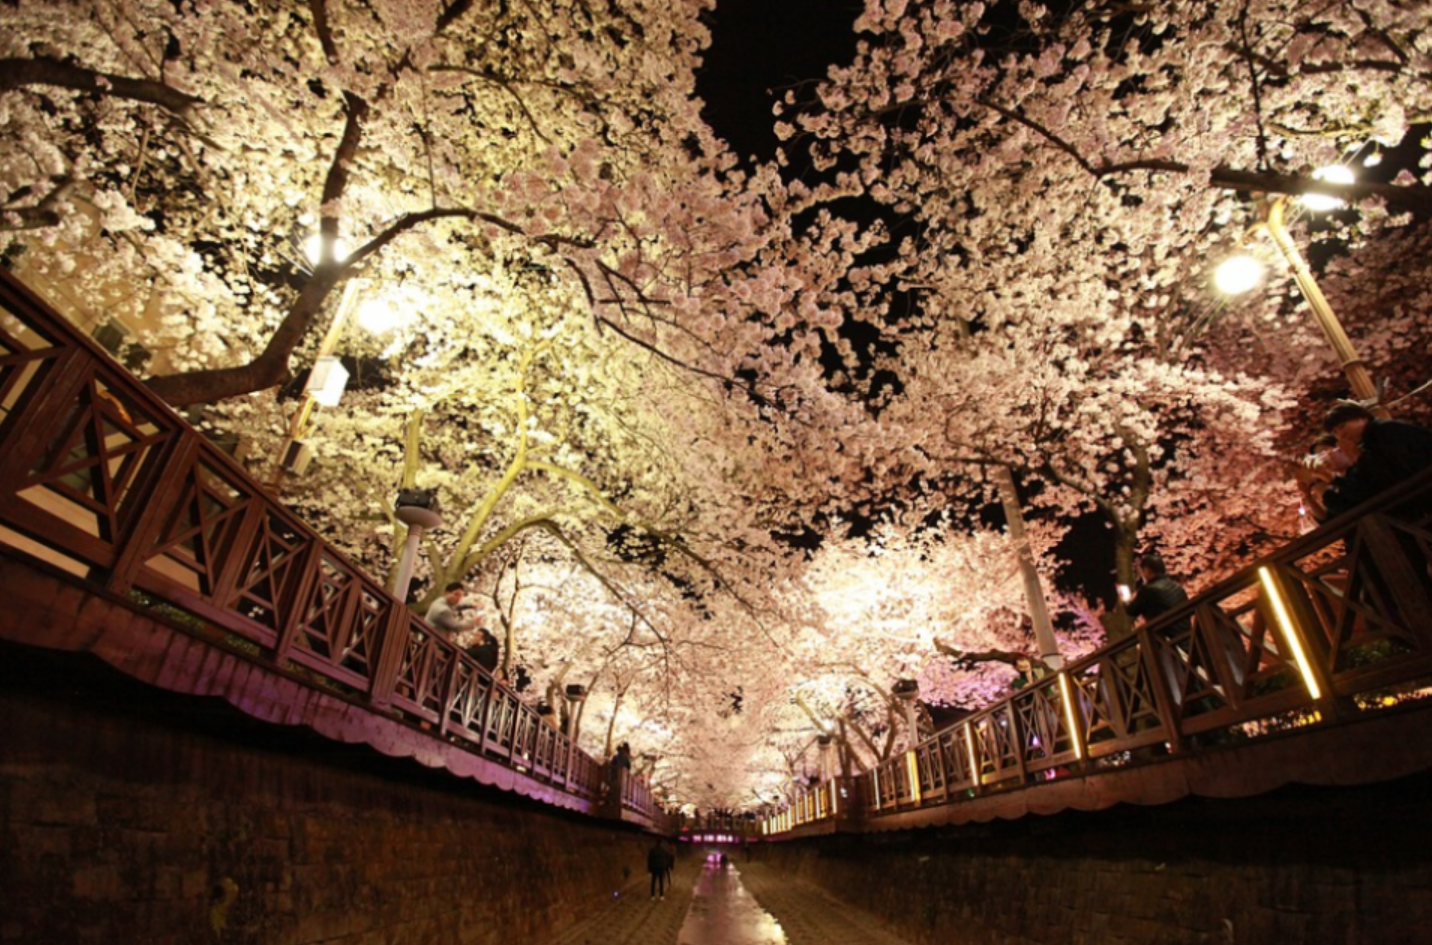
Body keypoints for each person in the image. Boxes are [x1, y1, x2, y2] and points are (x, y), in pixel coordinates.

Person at [1319, 401, 1432, 519]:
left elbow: (1395, 475)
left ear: (1362, 418)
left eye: (1342, 426)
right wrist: (1334, 480)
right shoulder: (1366, 444)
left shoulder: (1387, 430)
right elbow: (1364, 492)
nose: (1341, 434)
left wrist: (1357, 456)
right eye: (1335, 433)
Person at [425, 582, 500, 673]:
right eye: (456, 594)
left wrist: (473, 605)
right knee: (427, 671)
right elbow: (456, 626)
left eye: (460, 596)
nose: (458, 598)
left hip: (432, 641)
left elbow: (457, 606)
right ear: (447, 593)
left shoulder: (440, 601)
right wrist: (474, 623)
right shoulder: (443, 610)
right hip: (433, 644)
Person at [1124, 553, 1189, 630]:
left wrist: (1128, 600)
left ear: (1147, 570)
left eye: (1142, 571)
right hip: (1187, 634)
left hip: (1165, 635)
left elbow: (1131, 611)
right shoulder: (1177, 587)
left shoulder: (1147, 590)